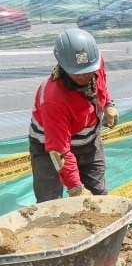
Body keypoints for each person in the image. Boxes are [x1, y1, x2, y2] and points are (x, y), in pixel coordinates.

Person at [29, 28, 118, 201]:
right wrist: (75, 188)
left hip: (88, 141)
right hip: (50, 148)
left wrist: (108, 104)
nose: (85, 75)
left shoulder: (94, 63)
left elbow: (101, 83)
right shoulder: (53, 99)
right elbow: (59, 151)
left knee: (99, 197)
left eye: (89, 70)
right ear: (63, 66)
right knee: (50, 203)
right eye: (78, 73)